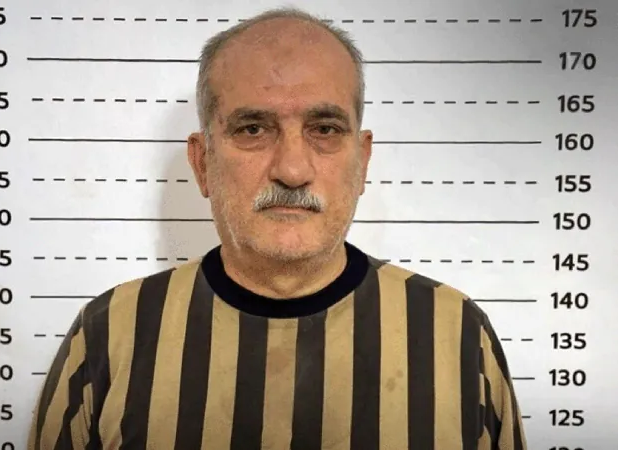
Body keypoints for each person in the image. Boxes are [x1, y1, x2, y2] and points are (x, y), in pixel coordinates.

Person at [27, 6, 527, 450]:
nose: (291, 170)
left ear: (363, 161)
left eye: (325, 129)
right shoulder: (111, 333)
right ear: (202, 163)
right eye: (253, 129)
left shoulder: (456, 333)